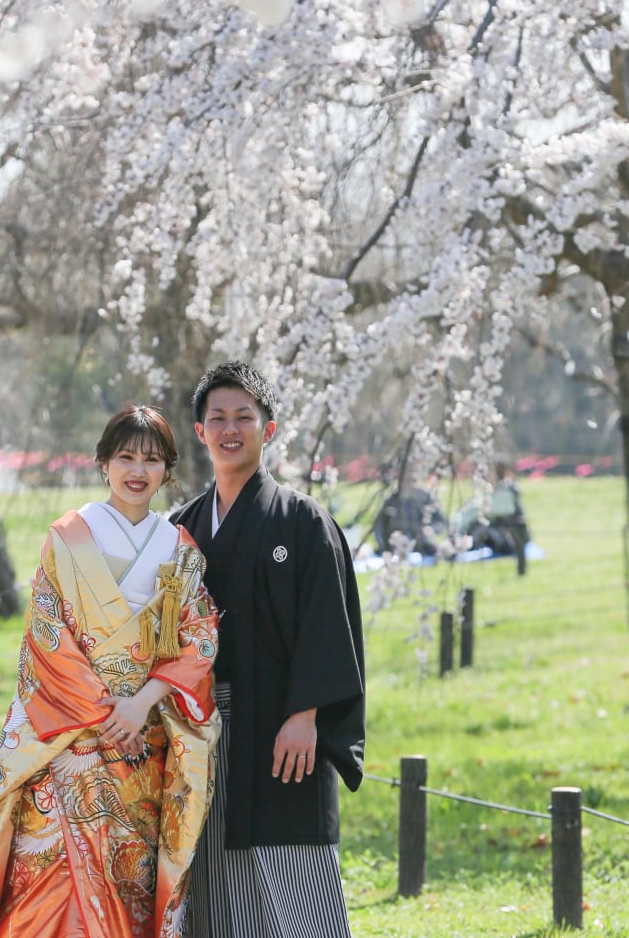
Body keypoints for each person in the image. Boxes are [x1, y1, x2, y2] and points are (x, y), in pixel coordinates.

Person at [0, 405, 221, 938]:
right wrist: (106, 713)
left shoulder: (180, 549)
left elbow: (199, 638)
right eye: (125, 456)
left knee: (129, 886)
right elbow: (47, 634)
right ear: (103, 462)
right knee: (53, 881)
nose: (138, 470)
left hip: (143, 743)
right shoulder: (68, 536)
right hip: (72, 743)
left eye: (152, 460)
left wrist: (142, 702)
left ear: (168, 471)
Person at [171, 361, 365, 938]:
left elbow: (328, 625)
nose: (231, 429)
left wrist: (306, 715)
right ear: (200, 432)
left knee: (296, 882)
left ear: (269, 429)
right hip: (201, 731)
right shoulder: (182, 528)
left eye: (244, 417)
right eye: (218, 419)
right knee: (216, 880)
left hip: (283, 726)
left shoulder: (304, 521)